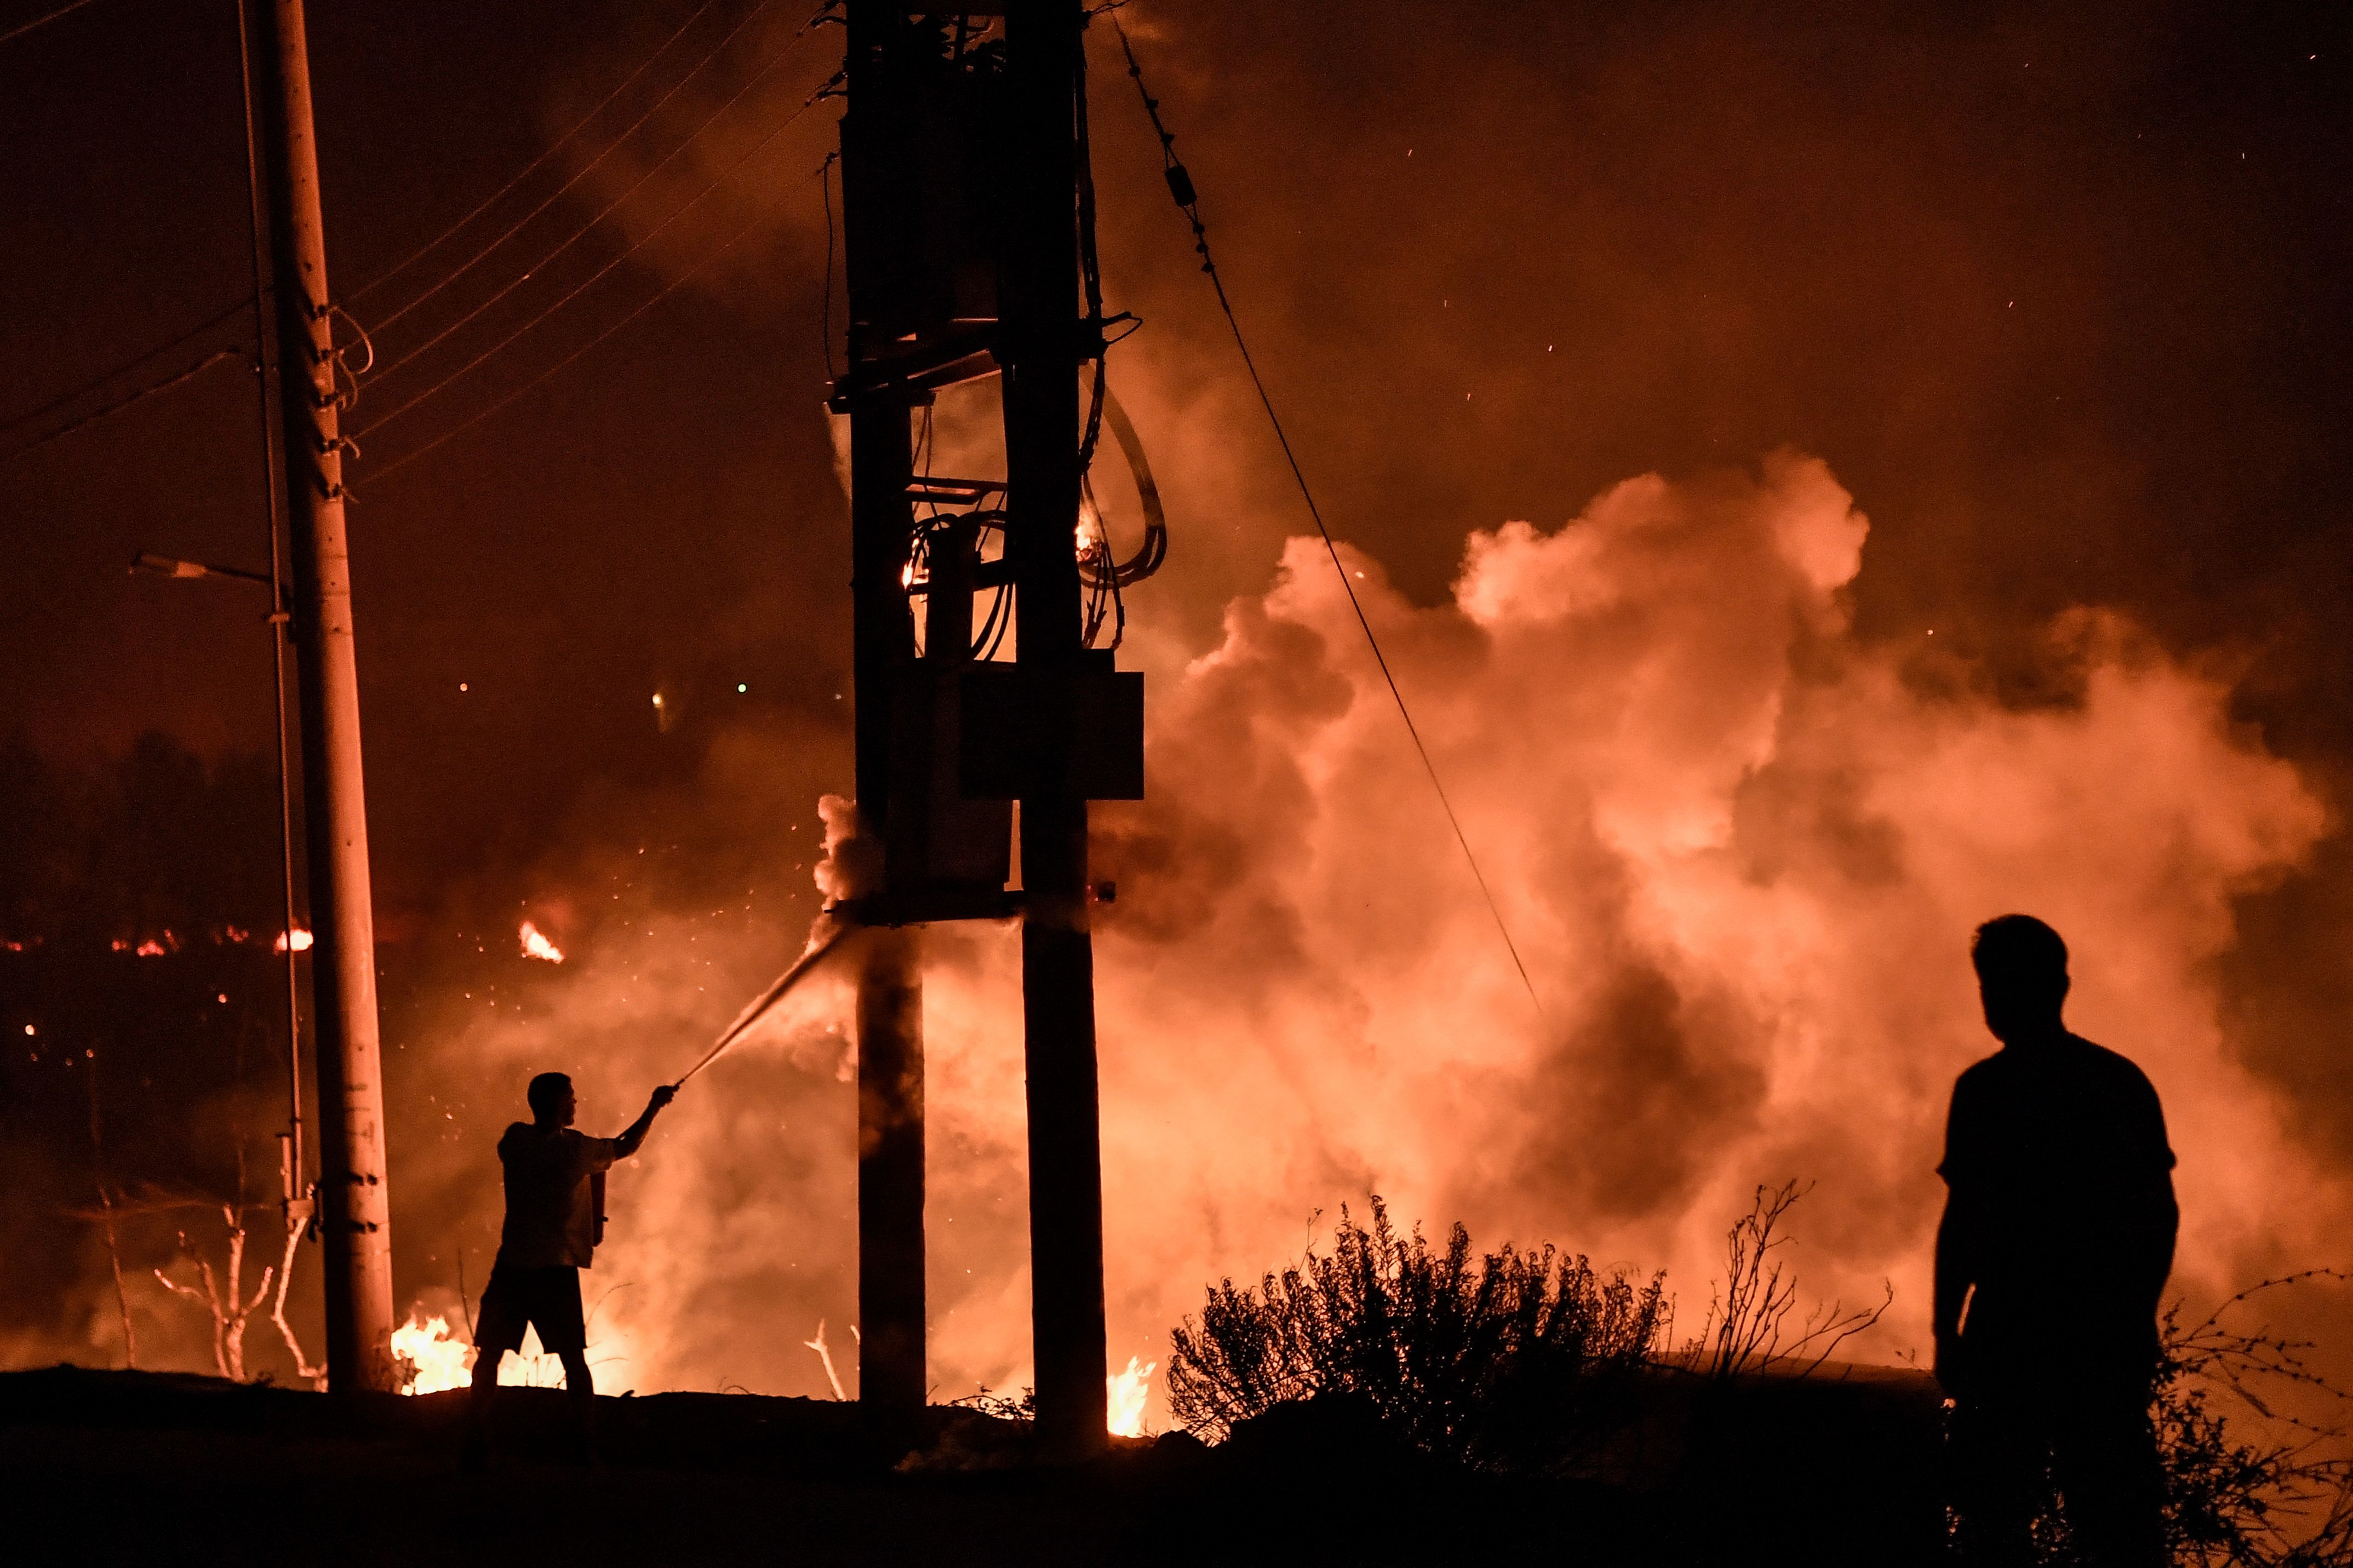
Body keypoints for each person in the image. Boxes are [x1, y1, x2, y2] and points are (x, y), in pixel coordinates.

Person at [1934, 915, 2178, 1566]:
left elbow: (1963, 1222)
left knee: (2003, 1517)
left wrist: (1946, 1332)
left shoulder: (1987, 1090)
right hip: (2085, 1332)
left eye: (2000, 983)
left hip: (2019, 1331)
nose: (1994, 998)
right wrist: (2136, 1315)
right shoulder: (2115, 1081)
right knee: (2107, 1520)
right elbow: (2157, 1215)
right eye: (1989, 983)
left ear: (2051, 986)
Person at [465, 1071, 675, 1461]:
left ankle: (474, 1437)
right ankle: (584, 1444)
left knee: (490, 1355)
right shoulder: (575, 1151)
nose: (576, 1103)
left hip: (513, 1264)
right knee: (574, 1361)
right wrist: (654, 1106)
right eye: (571, 1098)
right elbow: (625, 1146)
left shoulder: (515, 1140)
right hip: (554, 1268)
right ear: (559, 1105)